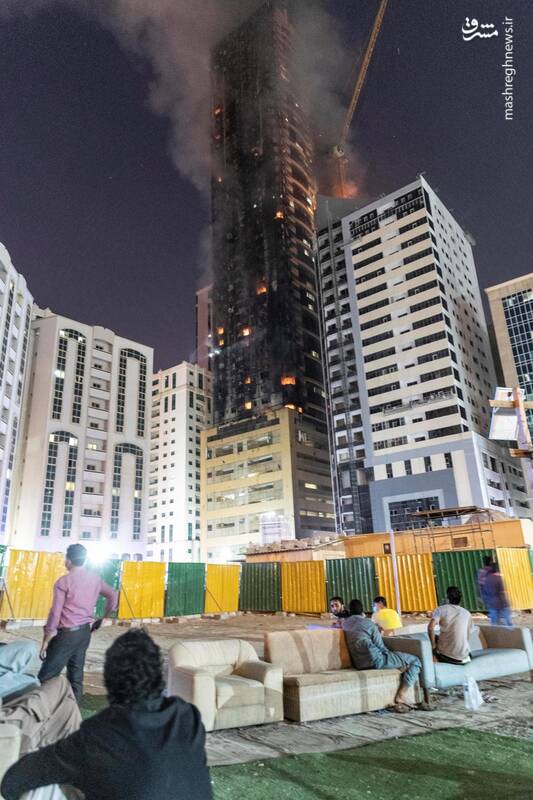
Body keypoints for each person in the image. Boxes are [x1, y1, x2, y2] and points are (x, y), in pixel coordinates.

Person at [1, 629, 213, 800]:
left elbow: (16, 779)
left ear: (111, 683)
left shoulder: (100, 733)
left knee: (44, 788)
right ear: (159, 676)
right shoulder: (187, 716)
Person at [38, 543, 118, 703]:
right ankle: (74, 711)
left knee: (46, 676)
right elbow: (113, 595)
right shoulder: (95, 579)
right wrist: (104, 618)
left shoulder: (63, 582)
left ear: (68, 560)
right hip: (84, 633)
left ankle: (39, 710)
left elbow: (55, 613)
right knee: (76, 676)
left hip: (66, 635)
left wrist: (46, 639)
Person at [342, 599, 421, 710]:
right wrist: (393, 657)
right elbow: (381, 647)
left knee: (399, 661)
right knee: (415, 661)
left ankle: (397, 667)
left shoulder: (345, 624)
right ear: (362, 611)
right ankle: (401, 695)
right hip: (376, 661)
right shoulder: (369, 624)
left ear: (349, 610)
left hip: (359, 663)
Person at [428, 586, 473, 665]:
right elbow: (467, 635)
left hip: (447, 657)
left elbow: (430, 628)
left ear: (447, 597)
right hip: (465, 657)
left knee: (433, 638)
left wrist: (433, 646)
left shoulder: (441, 609)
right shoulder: (467, 613)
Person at [484, 562, 512, 626]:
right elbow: (502, 591)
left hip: (492, 603)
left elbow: (485, 592)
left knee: (494, 623)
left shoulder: (486, 580)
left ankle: (496, 631)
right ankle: (511, 631)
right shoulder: (498, 578)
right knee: (508, 622)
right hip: (502, 603)